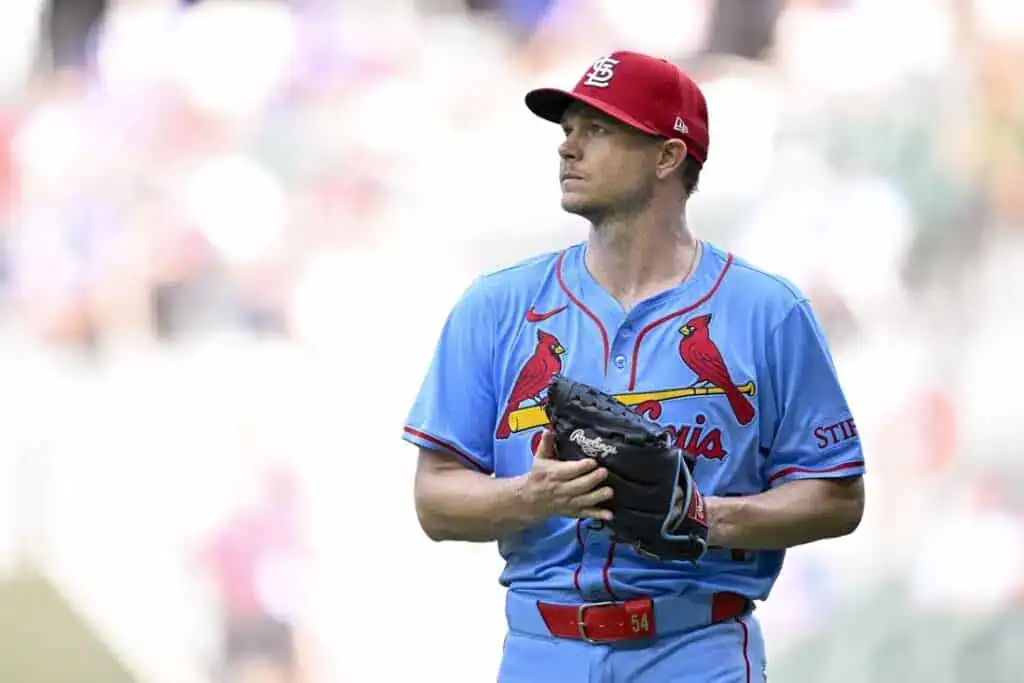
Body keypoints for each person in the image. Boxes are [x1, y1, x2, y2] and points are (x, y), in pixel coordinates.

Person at [403, 50, 866, 683]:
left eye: (597, 130)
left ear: (667, 156)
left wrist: (703, 515)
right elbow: (435, 499)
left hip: (695, 645)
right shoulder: (496, 306)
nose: (569, 149)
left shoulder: (767, 312)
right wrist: (532, 496)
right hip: (544, 645)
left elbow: (837, 498)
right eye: (567, 130)